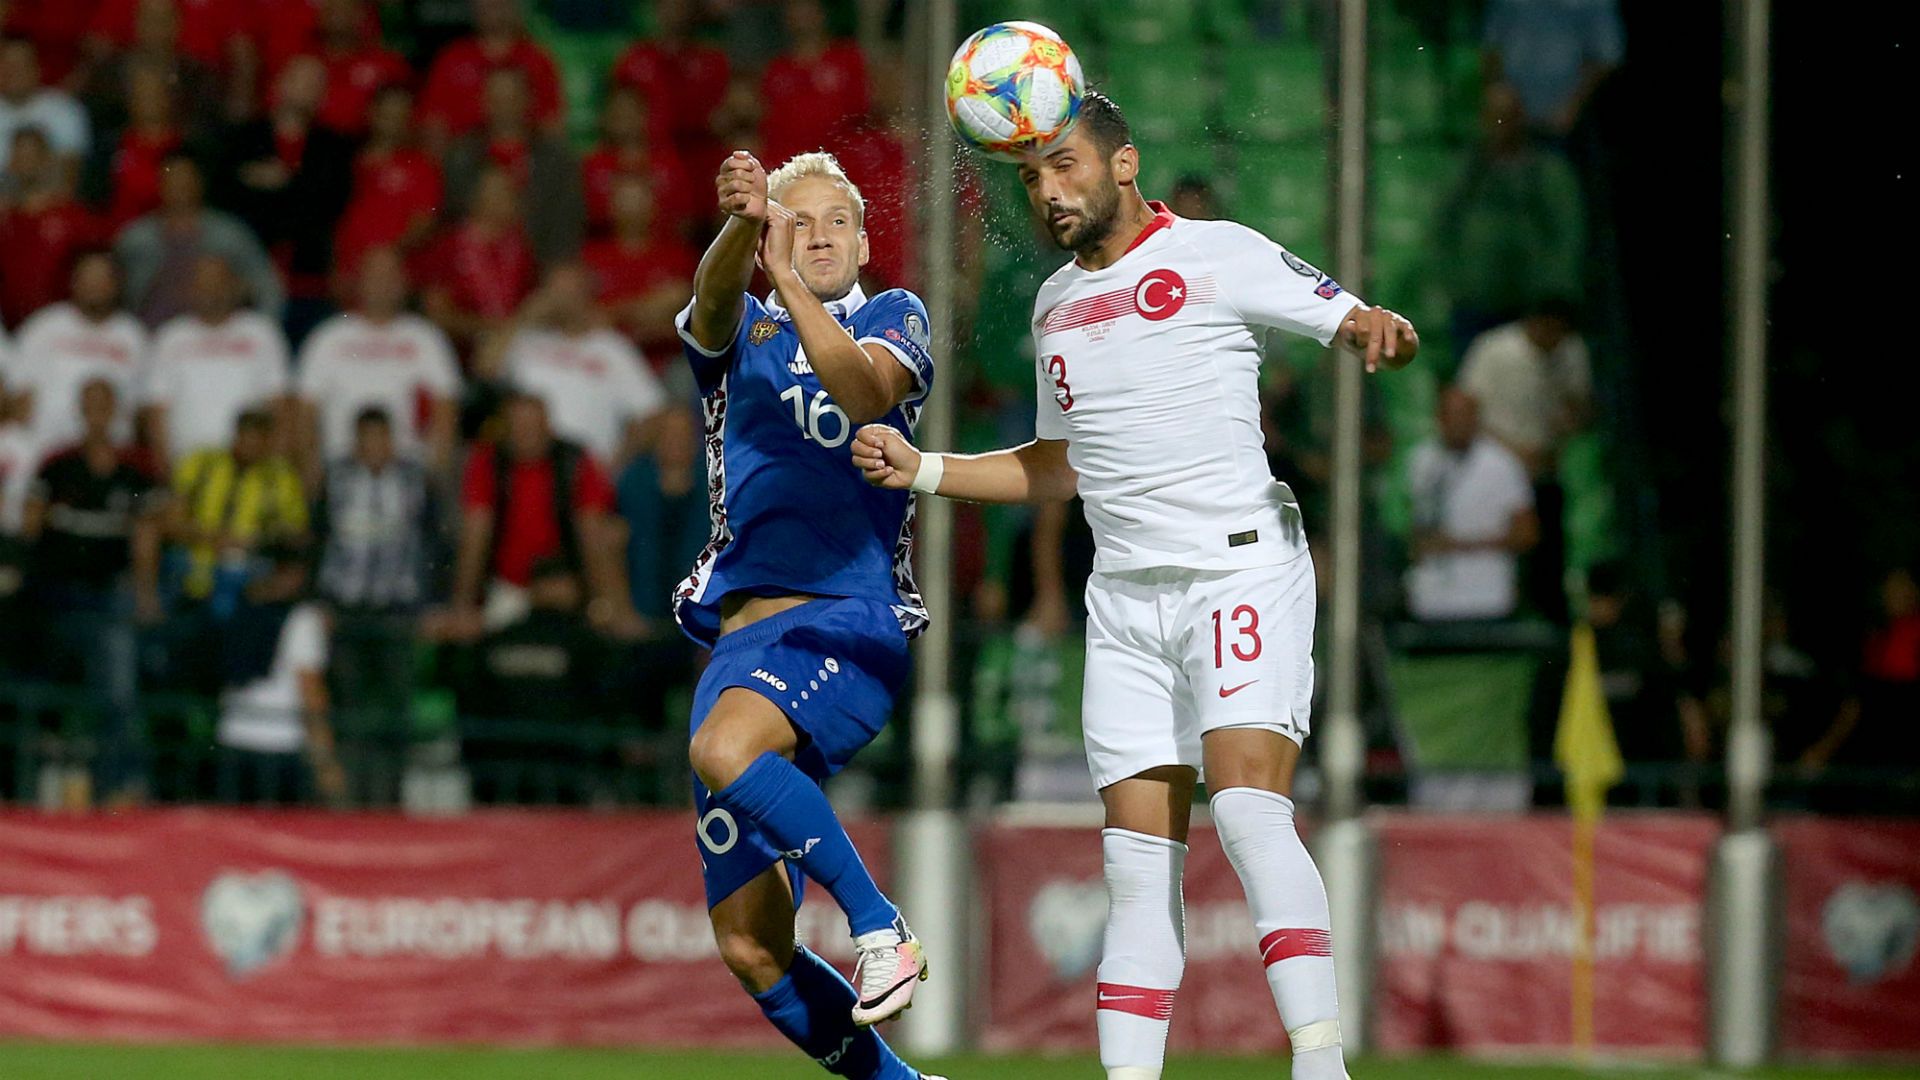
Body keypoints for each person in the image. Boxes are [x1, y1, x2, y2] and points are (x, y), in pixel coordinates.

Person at [853, 92, 1417, 1080]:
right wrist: (924, 468)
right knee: (1132, 865)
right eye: (1029, 177)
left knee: (1246, 811)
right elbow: (1056, 464)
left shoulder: (1217, 251)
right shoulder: (1054, 305)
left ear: (1123, 165)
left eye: (1063, 165)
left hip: (1238, 566)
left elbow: (1345, 314)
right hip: (1124, 603)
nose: (1046, 190)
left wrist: (1373, 325)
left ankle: (1321, 1066)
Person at [677, 148, 943, 1075]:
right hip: (741, 643)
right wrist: (742, 234)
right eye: (797, 221)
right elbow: (710, 305)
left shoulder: (893, 315)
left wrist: (785, 271)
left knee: (721, 750)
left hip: (847, 618)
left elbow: (866, 392)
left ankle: (881, 930)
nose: (819, 235)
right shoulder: (742, 325)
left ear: (866, 241)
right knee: (752, 948)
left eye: (836, 221)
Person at [22, 378, 165, 805]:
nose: (98, 414)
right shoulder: (57, 463)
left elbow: (148, 531)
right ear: (81, 410)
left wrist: (144, 591)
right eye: (91, 405)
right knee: (41, 689)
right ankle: (35, 787)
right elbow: (31, 523)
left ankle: (121, 785)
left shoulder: (135, 467)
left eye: (105, 405)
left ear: (116, 411)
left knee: (118, 688)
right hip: (55, 593)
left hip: (108, 595)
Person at [313, 406, 439, 795]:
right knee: (348, 704)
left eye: (380, 438)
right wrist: (319, 601)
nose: (373, 447)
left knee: (394, 706)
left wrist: (430, 603)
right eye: (365, 438)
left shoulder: (414, 480)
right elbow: (316, 537)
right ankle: (351, 797)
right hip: (346, 607)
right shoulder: (335, 478)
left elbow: (434, 540)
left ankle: (389, 798)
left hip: (396, 607)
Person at [448, 391, 640, 638]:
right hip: (505, 588)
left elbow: (593, 536)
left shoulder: (574, 462)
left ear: (548, 427)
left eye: (533, 427)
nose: (526, 436)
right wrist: (464, 606)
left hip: (568, 584)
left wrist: (607, 604)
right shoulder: (487, 463)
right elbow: (476, 535)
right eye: (519, 427)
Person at [1456, 297, 1591, 622]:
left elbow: (1580, 406)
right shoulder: (1494, 349)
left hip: (1544, 469)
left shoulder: (1571, 352)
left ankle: (1549, 618)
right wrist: (1515, 452)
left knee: (1548, 548)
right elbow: (1468, 405)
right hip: (1496, 466)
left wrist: (1560, 434)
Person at [296, 247, 461, 480]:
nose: (382, 284)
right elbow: (306, 410)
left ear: (404, 282)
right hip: (340, 469)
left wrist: (434, 472)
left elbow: (446, 405)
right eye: (374, 276)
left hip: (407, 469)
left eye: (390, 276)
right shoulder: (328, 337)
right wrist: (310, 467)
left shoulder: (426, 337)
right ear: (359, 281)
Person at [212, 541, 346, 806]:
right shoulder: (303, 618)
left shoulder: (234, 611)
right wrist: (325, 761)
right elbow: (310, 689)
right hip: (281, 745)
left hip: (232, 737)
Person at [495, 261, 665, 470]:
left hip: (589, 476)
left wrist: (616, 465)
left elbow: (651, 413)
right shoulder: (526, 340)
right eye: (556, 292)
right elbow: (485, 369)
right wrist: (525, 317)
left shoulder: (612, 347)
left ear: (587, 294)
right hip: (527, 472)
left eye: (570, 292)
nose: (563, 301)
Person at [140, 252, 290, 465]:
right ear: (191, 289)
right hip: (187, 465)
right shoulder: (171, 337)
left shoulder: (261, 333)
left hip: (250, 466)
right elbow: (157, 409)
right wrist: (165, 466)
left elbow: (278, 404)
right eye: (203, 284)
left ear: (234, 285)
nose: (210, 291)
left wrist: (274, 462)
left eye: (218, 282)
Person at [1405, 386, 1538, 622]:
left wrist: (1458, 545)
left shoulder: (1502, 465)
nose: (1458, 423)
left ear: (1477, 418)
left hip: (1487, 597)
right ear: (1439, 418)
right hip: (1430, 598)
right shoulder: (1421, 461)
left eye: (1464, 415)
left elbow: (1527, 534)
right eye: (1451, 415)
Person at [113, 152, 284, 326]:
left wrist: (261, 332)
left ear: (199, 183)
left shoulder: (230, 234)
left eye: (186, 179)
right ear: (160, 184)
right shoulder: (134, 239)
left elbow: (267, 287)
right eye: (173, 178)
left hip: (216, 339)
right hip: (150, 338)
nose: (180, 185)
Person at [4, 250, 145, 452]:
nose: (94, 285)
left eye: (101, 278)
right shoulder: (44, 326)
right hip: (46, 452)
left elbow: (141, 409)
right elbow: (18, 392)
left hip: (108, 459)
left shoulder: (133, 336)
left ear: (117, 284)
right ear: (74, 282)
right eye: (87, 277)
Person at [441, 65, 583, 265]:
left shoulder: (557, 159)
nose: (504, 106)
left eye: (511, 98)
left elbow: (566, 224)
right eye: (497, 99)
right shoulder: (460, 157)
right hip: (472, 268)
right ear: (483, 101)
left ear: (529, 100)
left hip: (540, 267)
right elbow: (452, 221)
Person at [170, 407, 308, 610]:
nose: (250, 446)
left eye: (258, 440)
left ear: (268, 441)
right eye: (246, 438)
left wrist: (259, 539)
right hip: (192, 557)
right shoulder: (203, 463)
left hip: (250, 564)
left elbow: (296, 533)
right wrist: (214, 538)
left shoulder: (281, 476)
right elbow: (172, 520)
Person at [332, 83, 444, 278]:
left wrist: (385, 259)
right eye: (387, 113)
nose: (393, 120)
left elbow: (424, 221)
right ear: (371, 112)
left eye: (400, 114)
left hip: (393, 274)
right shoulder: (347, 161)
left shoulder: (421, 166)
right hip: (346, 269)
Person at [416, 0, 563, 148]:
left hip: (525, 160)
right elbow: (432, 124)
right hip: (463, 161)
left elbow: (551, 125)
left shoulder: (537, 60)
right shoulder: (451, 59)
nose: (492, 5)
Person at [581, 173, 697, 359]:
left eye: (638, 199)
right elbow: (584, 315)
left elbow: (681, 310)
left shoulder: (676, 256)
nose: (632, 208)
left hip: (664, 359)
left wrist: (616, 315)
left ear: (654, 205)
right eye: (625, 200)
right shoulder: (591, 256)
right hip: (601, 357)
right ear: (611, 205)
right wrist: (647, 308)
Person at [0, 126, 105, 326]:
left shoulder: (73, 216)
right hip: (9, 328)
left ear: (47, 160)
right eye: (20, 156)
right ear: (10, 163)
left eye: (32, 155)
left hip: (61, 327)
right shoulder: (5, 219)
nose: (26, 163)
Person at [0, 35, 88, 175]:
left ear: (38, 68)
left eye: (21, 64)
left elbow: (69, 176)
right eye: (7, 64)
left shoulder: (64, 108)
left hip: (49, 195)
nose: (14, 72)